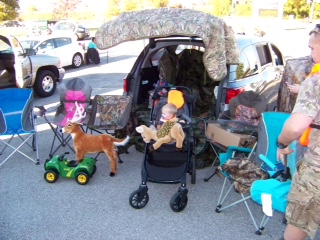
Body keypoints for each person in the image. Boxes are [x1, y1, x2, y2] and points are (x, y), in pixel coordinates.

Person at [277, 24, 320, 240]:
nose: (311, 54)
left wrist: (281, 143)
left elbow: (295, 126)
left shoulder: (316, 81)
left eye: (312, 48)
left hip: (317, 171)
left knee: (299, 223)